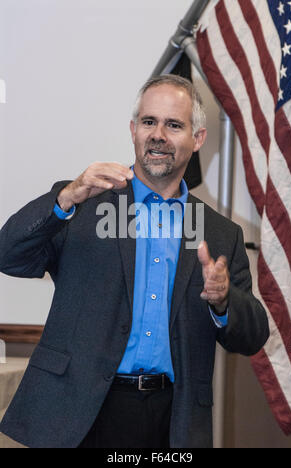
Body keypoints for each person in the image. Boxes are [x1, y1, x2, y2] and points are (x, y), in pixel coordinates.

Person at [0, 75, 269, 448]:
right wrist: (64, 198)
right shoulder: (84, 205)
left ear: (198, 139)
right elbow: (9, 255)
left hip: (172, 419)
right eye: (149, 122)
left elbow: (253, 336)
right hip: (77, 413)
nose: (158, 134)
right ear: (133, 130)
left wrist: (225, 301)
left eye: (174, 125)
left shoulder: (221, 234)